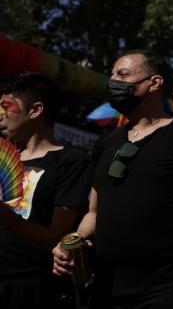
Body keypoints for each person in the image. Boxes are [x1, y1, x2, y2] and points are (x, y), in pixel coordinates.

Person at [51, 50, 173, 309]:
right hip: (106, 290)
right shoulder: (106, 142)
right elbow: (94, 213)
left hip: (167, 291)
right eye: (112, 75)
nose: (113, 81)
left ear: (155, 83)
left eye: (123, 74)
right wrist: (71, 243)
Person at [0, 73, 90, 308]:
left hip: (34, 288)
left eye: (6, 107)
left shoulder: (70, 161)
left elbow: (56, 235)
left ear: (35, 110)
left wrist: (8, 218)